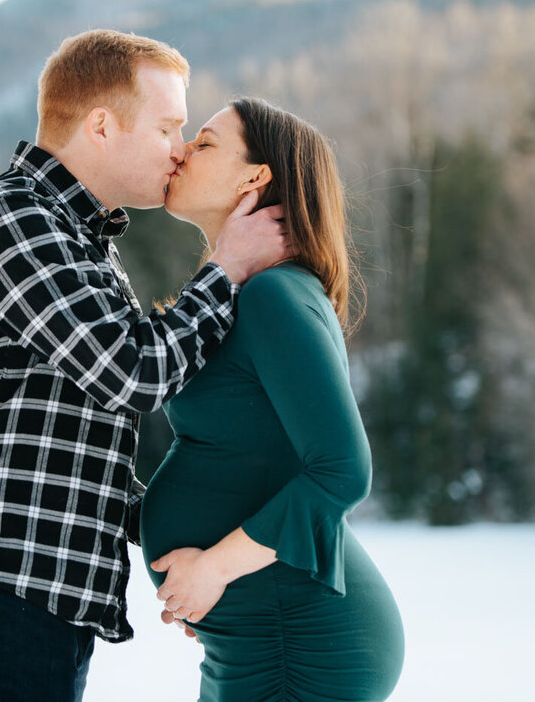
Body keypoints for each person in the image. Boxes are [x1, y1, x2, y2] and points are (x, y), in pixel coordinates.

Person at [0, 31, 289, 702]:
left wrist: (198, 556)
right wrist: (228, 268)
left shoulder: (80, 243)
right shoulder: (13, 217)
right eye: (167, 126)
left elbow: (76, 454)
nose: (180, 147)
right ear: (102, 126)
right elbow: (131, 372)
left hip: (30, 584)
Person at [142, 98, 405, 701]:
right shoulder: (243, 297)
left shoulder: (274, 298)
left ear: (254, 178)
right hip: (258, 638)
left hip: (301, 645)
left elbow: (342, 472)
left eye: (204, 143)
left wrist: (214, 570)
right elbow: (243, 461)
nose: (181, 151)